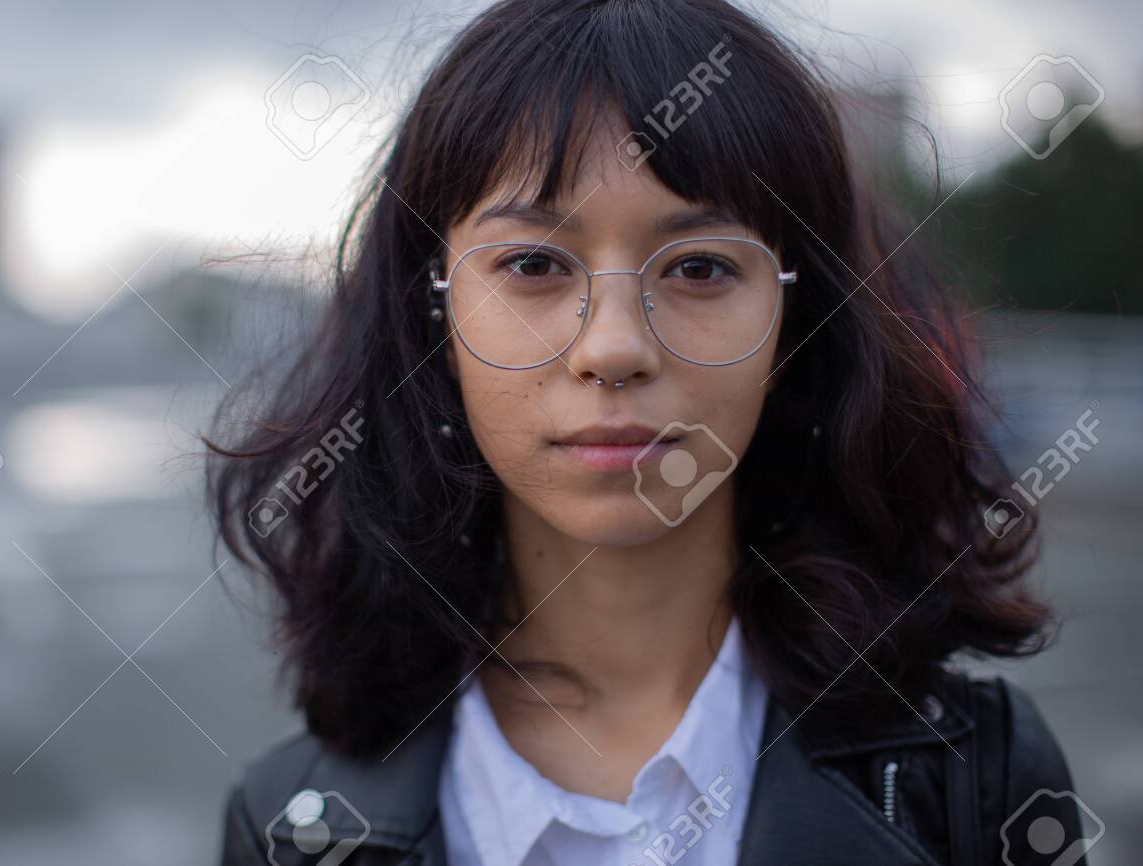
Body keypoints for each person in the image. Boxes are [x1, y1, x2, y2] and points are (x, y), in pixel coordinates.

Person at [209, 0, 1085, 863]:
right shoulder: (294, 827)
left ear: (798, 318)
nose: (614, 347)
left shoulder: (974, 781)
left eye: (701, 266)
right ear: (429, 309)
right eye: (533, 264)